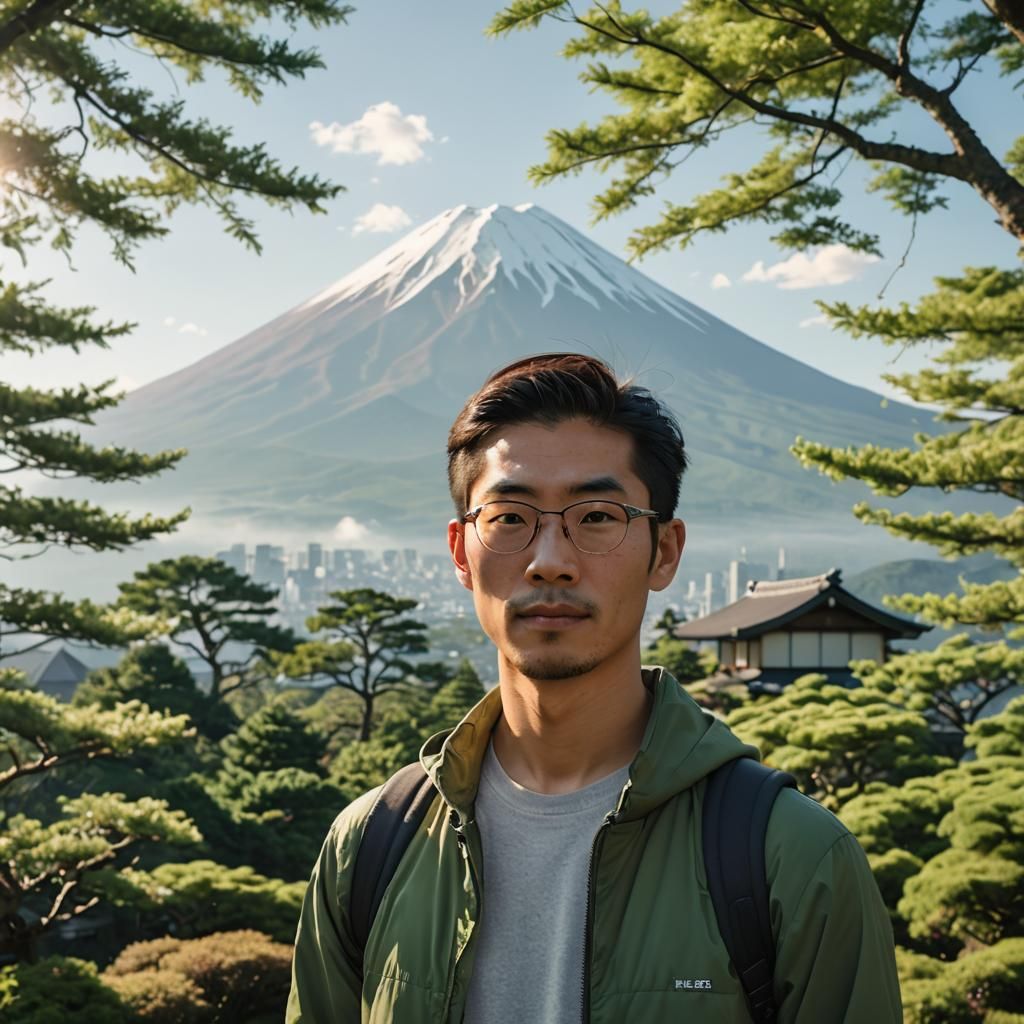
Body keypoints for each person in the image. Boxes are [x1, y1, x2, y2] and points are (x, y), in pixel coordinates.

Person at [287, 352, 902, 1023]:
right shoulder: (370, 847)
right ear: (462, 553)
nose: (551, 562)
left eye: (598, 516)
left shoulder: (790, 858)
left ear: (664, 551)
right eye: (510, 518)